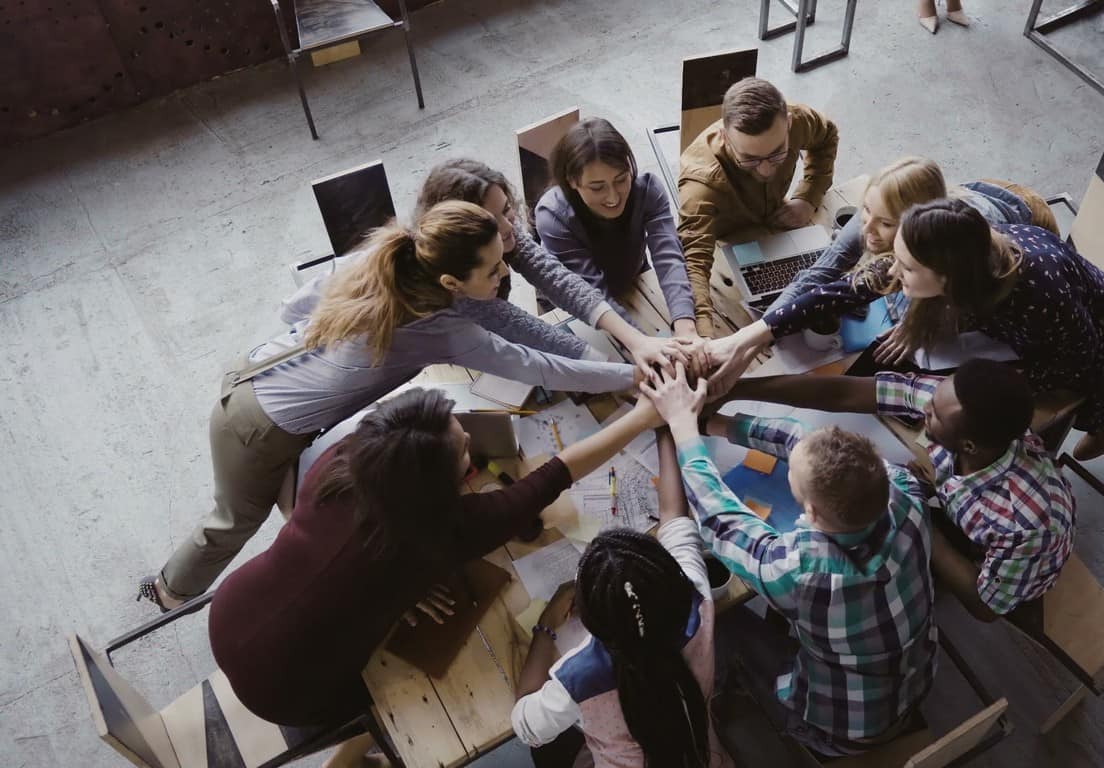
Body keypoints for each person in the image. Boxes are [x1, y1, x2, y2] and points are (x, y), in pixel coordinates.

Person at [141, 201, 638, 611]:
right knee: (232, 523)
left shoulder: (388, 256)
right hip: (258, 428)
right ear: (451, 283)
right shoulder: (447, 331)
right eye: (493, 268)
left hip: (254, 373)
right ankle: (167, 592)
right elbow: (544, 368)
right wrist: (635, 375)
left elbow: (293, 311)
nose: (505, 273)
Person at [207, 388, 664, 767]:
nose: (470, 448)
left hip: (230, 611)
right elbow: (553, 476)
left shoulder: (341, 460)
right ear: (428, 491)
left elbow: (337, 555)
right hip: (288, 692)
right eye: (464, 451)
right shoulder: (442, 534)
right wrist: (645, 415)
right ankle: (360, 758)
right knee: (392, 706)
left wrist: (394, 588)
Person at [643, 363, 936, 758]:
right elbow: (804, 441)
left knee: (720, 620)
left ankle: (733, 702)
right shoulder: (903, 491)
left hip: (843, 729)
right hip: (912, 684)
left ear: (812, 514)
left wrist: (680, 428)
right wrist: (714, 423)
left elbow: (720, 519)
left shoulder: (800, 573)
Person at [719, 358, 1075, 621]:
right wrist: (737, 388)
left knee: (836, 580)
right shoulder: (956, 408)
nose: (924, 409)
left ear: (968, 446)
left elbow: (985, 605)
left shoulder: (1025, 526)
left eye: (932, 415)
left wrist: (918, 518)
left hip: (998, 569)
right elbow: (846, 393)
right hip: (954, 512)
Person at [689, 156, 1059, 378]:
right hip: (980, 195)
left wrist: (916, 321)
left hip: (1027, 213)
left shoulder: (971, 263)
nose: (866, 230)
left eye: (884, 223)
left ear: (918, 229)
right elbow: (824, 277)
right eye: (867, 211)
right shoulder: (882, 217)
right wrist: (752, 340)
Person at [512, 432, 734, 768]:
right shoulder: (696, 602)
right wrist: (664, 428)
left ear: (585, 621)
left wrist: (546, 626)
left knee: (547, 751)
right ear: (670, 577)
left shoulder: (579, 676)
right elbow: (675, 516)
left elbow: (525, 723)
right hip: (703, 757)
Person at [887, 199, 1104, 459]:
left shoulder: (1039, 296)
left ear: (950, 277)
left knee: (1088, 397)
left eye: (906, 267)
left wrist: (1011, 383)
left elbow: (1080, 355)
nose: (895, 271)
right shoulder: (972, 255)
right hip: (1052, 320)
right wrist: (915, 325)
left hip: (1103, 337)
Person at [415, 158, 682, 371]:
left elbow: (556, 279)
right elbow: (517, 326)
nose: (510, 226)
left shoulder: (502, 230)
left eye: (507, 209)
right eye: (495, 222)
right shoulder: (453, 280)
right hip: (451, 361)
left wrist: (637, 340)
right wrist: (617, 370)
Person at [677, 77, 839, 336]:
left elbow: (827, 134)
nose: (765, 170)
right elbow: (694, 262)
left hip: (778, 224)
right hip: (722, 246)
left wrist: (808, 197)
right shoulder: (700, 185)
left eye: (777, 153)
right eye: (749, 159)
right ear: (725, 138)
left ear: (788, 124)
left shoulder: (798, 120)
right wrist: (701, 334)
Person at [535, 118, 698, 341]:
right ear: (572, 181)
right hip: (576, 305)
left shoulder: (648, 190)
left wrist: (685, 327)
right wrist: (647, 344)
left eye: (621, 180)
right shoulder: (553, 217)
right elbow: (591, 294)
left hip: (633, 281)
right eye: (597, 187)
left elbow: (669, 258)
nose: (613, 197)